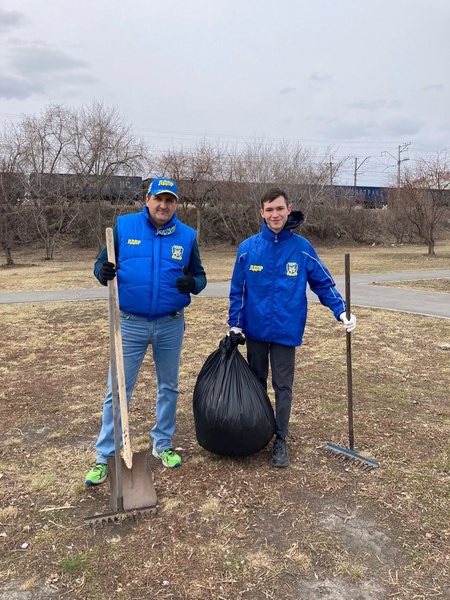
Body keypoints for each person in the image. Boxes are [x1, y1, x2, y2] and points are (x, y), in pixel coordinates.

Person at [85, 177, 207, 485]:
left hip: (170, 323)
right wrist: (104, 272)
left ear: (176, 204)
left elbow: (201, 277)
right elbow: (101, 266)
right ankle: (105, 457)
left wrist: (193, 284)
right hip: (129, 323)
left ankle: (162, 444)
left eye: (170, 200)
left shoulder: (187, 236)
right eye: (158, 199)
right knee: (118, 389)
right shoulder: (124, 228)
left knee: (169, 387)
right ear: (147, 200)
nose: (163, 205)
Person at [227, 187, 355, 468]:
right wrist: (234, 325)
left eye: (279, 209)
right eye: (269, 210)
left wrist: (341, 310)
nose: (275, 214)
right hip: (256, 331)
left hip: (286, 331)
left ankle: (280, 438)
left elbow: (323, 283)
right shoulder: (247, 249)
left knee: (283, 386)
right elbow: (238, 291)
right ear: (262, 213)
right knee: (256, 383)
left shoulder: (302, 248)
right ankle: (257, 432)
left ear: (288, 210)